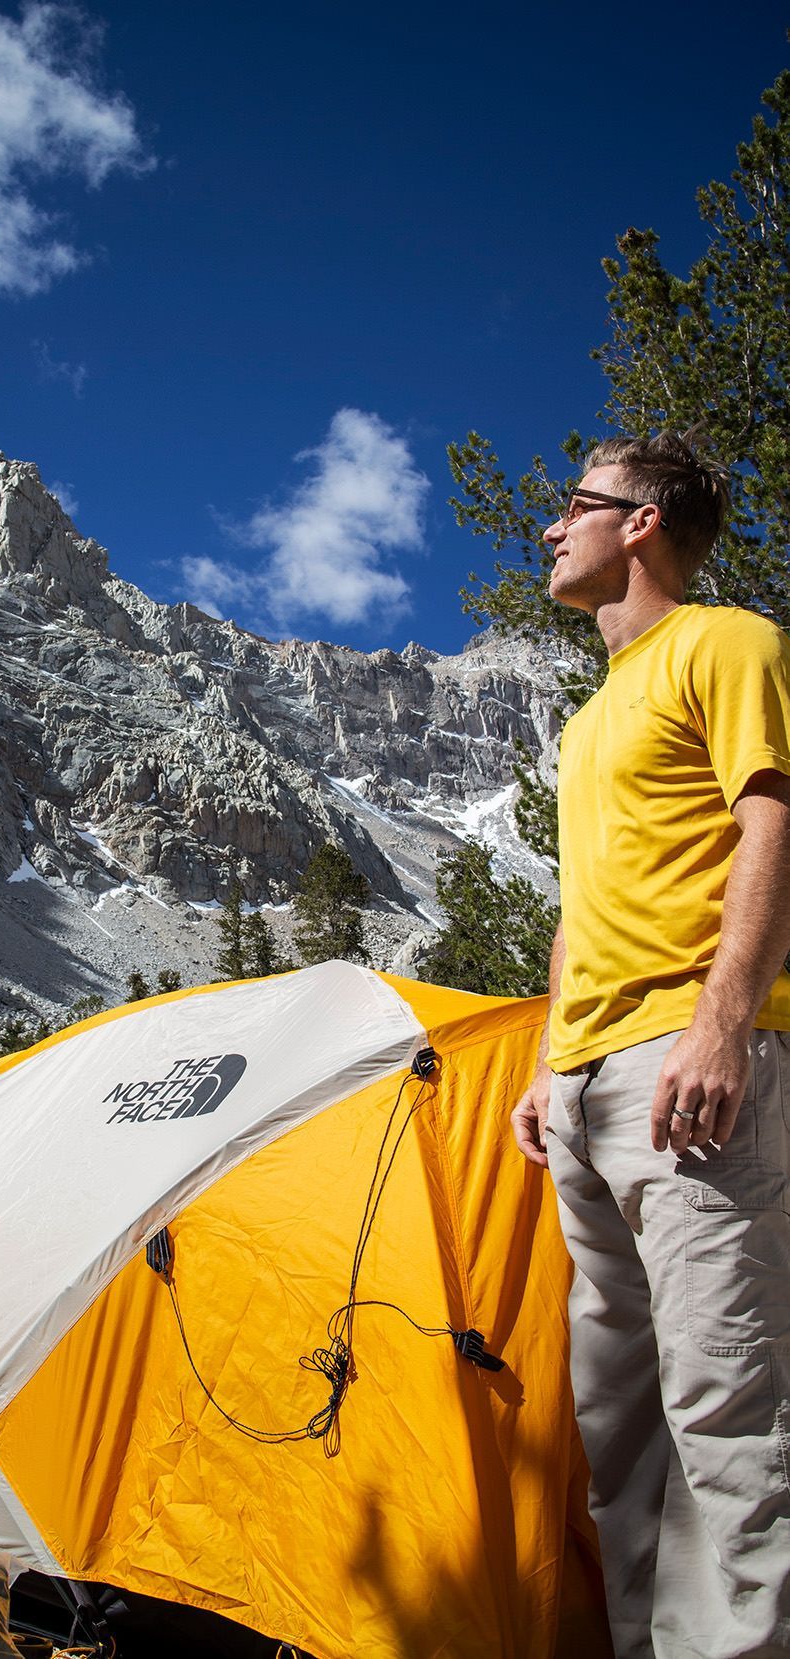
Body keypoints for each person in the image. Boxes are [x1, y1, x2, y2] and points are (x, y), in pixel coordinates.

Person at [511, 430, 790, 1659]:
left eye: (573, 503)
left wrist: (723, 1019)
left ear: (638, 521)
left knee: (727, 1405)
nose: (547, 527)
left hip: (685, 1065)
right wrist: (541, 1071)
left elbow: (770, 816)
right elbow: (584, 906)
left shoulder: (725, 641)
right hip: (585, 1090)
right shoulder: (586, 723)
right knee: (614, 1421)